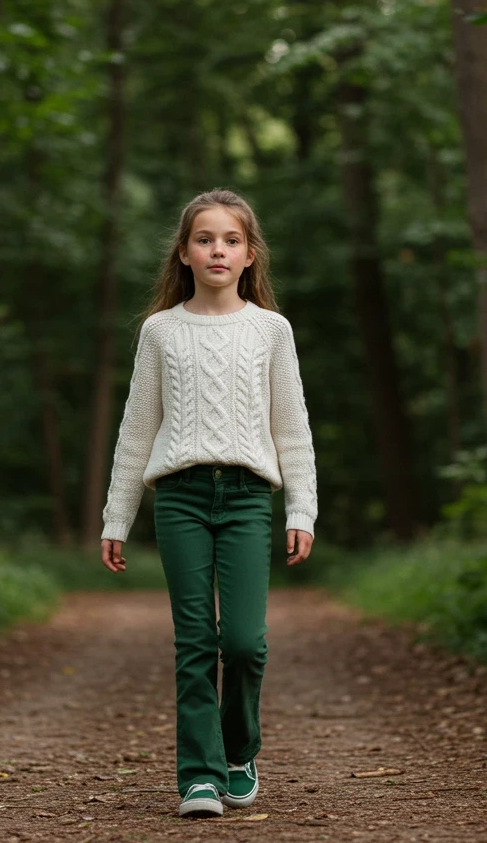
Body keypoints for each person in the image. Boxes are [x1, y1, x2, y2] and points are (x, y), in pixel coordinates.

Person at [99, 188, 318, 819]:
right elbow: (137, 429)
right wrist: (118, 516)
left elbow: (292, 426)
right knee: (195, 640)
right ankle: (198, 773)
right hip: (181, 499)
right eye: (204, 239)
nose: (217, 250)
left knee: (246, 642)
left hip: (248, 497)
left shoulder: (270, 330)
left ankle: (238, 750)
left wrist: (300, 509)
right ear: (185, 253)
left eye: (230, 240)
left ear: (250, 255)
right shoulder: (160, 332)